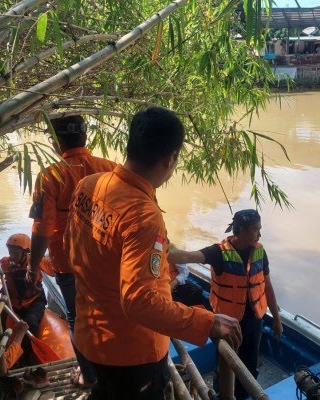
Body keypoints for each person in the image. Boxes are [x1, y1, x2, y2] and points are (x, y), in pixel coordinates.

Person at [64, 106, 242, 399]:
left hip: (89, 335)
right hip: (130, 355)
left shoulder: (89, 185)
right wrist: (207, 322)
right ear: (170, 159)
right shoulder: (142, 215)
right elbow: (138, 302)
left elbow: (74, 251)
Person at [28, 115, 116, 386]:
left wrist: (33, 267)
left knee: (78, 319)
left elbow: (43, 229)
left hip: (69, 264)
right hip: (110, 261)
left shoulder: (50, 176)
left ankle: (89, 376)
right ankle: (116, 371)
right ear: (85, 137)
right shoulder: (111, 170)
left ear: (56, 142)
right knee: (111, 314)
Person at [168, 209, 283, 400]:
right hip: (227, 322)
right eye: (256, 229)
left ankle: (245, 394)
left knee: (250, 363)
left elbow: (267, 287)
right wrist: (163, 243)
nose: (260, 234)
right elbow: (183, 257)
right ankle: (222, 395)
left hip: (254, 319)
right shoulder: (218, 253)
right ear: (243, 230)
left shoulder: (260, 251)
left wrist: (277, 320)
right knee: (224, 364)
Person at [0, 233, 46, 336]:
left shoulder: (35, 261)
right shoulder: (5, 262)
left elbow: (53, 272)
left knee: (31, 323)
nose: (12, 254)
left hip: (34, 300)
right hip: (12, 301)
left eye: (15, 252)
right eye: (10, 251)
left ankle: (26, 350)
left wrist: (38, 262)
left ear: (26, 251)